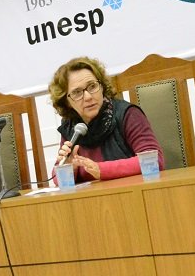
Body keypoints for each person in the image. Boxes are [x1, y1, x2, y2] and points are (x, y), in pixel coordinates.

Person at [49, 56, 163, 184]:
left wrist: (101, 170)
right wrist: (68, 167)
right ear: (67, 101)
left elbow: (154, 160)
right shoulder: (73, 127)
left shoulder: (128, 114)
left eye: (92, 86)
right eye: (77, 92)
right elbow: (56, 179)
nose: (87, 97)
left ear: (102, 87)